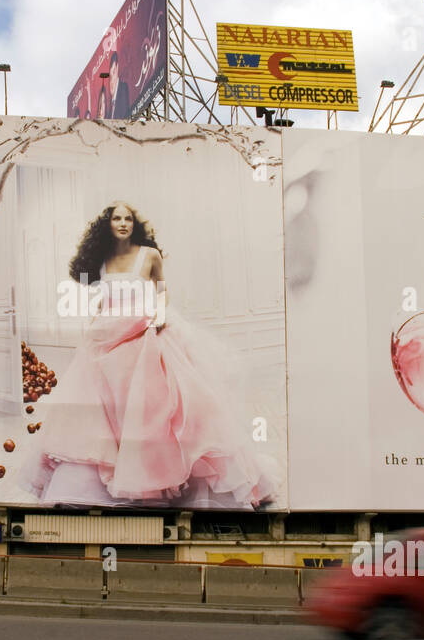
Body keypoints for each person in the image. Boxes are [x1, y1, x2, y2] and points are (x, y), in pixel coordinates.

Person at [20, 202, 279, 509]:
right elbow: (104, 300)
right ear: (107, 224)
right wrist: (94, 326)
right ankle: (110, 481)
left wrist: (158, 315)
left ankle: (162, 477)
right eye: (116, 218)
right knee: (105, 413)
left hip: (145, 333)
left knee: (156, 409)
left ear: (135, 223)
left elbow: (161, 291)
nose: (122, 223)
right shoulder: (102, 259)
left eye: (128, 218)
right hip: (106, 338)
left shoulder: (149, 254)